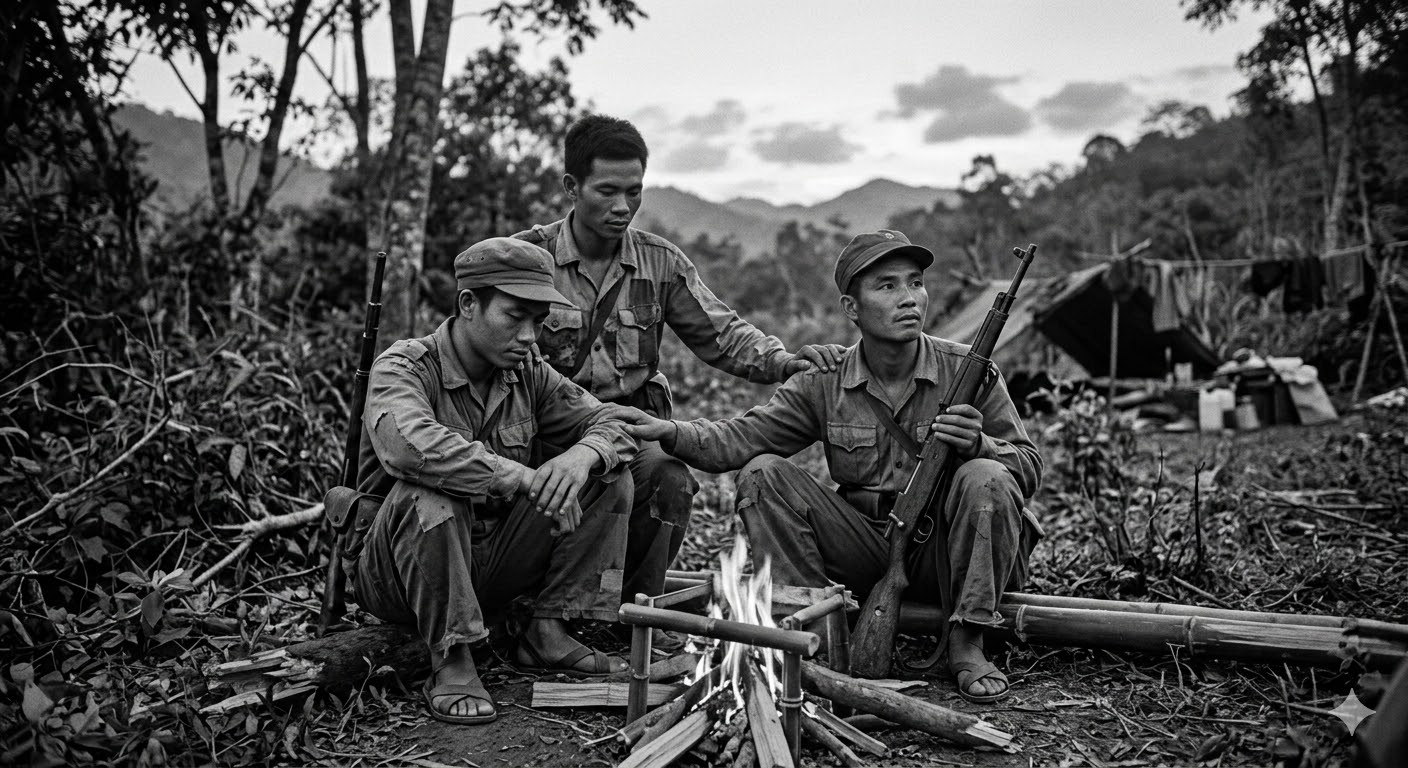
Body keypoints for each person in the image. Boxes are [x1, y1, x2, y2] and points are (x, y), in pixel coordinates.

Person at [604, 230, 1044, 704]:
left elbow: (1028, 465)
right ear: (851, 309)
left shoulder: (968, 369)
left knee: (987, 475)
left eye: (915, 283)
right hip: (869, 548)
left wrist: (979, 444)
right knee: (764, 474)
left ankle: (968, 643)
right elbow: (741, 439)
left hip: (949, 550)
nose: (909, 299)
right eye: (887, 286)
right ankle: (815, 627)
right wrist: (670, 431)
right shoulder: (825, 380)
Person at [513, 114, 844, 612]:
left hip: (629, 425)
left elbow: (722, 332)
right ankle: (546, 607)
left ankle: (633, 610)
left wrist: (783, 361)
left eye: (634, 191)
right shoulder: (528, 259)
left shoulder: (659, 262)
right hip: (543, 427)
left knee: (670, 479)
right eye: (606, 191)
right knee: (580, 485)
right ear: (571, 187)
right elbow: (486, 341)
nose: (622, 207)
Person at [350, 237, 638, 725]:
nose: (530, 335)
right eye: (515, 316)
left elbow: (613, 423)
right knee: (432, 488)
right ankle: (452, 660)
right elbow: (410, 447)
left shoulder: (528, 372)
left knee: (607, 477)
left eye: (538, 321)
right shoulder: (404, 367)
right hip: (399, 569)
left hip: (491, 559)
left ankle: (547, 630)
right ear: (468, 304)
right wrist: (522, 478)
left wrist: (583, 456)